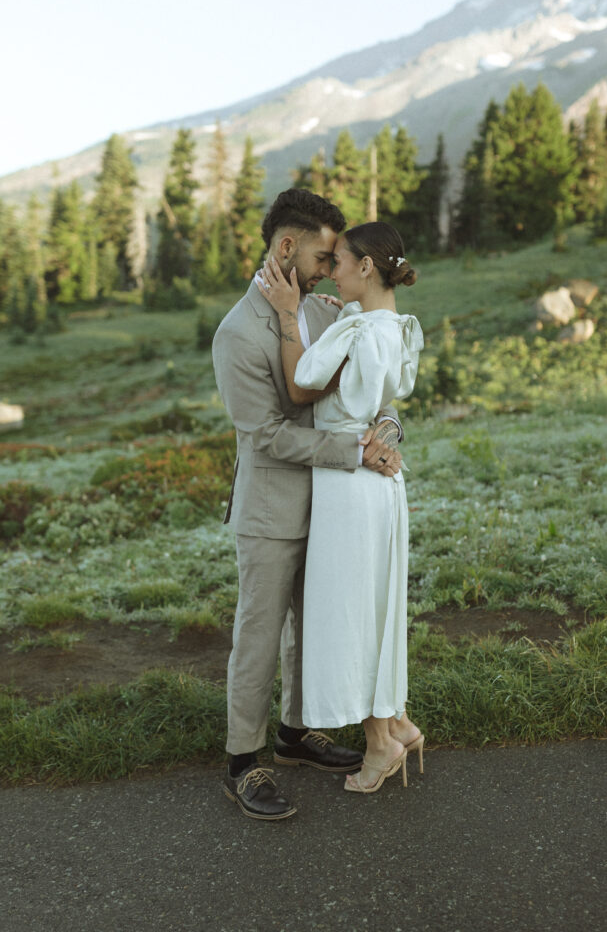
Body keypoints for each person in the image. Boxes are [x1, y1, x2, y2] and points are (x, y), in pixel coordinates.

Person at [212, 189, 404, 821]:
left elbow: (369, 381)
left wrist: (388, 431)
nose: (330, 269)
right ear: (286, 248)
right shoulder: (237, 333)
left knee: (313, 631)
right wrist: (353, 451)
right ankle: (244, 760)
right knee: (261, 636)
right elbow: (265, 434)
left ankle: (297, 733)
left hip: (333, 508)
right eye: (323, 256)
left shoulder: (325, 313)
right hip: (270, 512)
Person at [260, 220, 424, 794]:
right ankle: (394, 721)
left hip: (349, 480)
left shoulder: (357, 330)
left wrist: (288, 315)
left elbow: (303, 381)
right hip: (378, 484)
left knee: (350, 614)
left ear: (366, 268)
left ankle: (380, 742)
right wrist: (346, 319)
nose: (329, 270)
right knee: (376, 606)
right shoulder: (395, 326)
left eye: (339, 261)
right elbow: (388, 397)